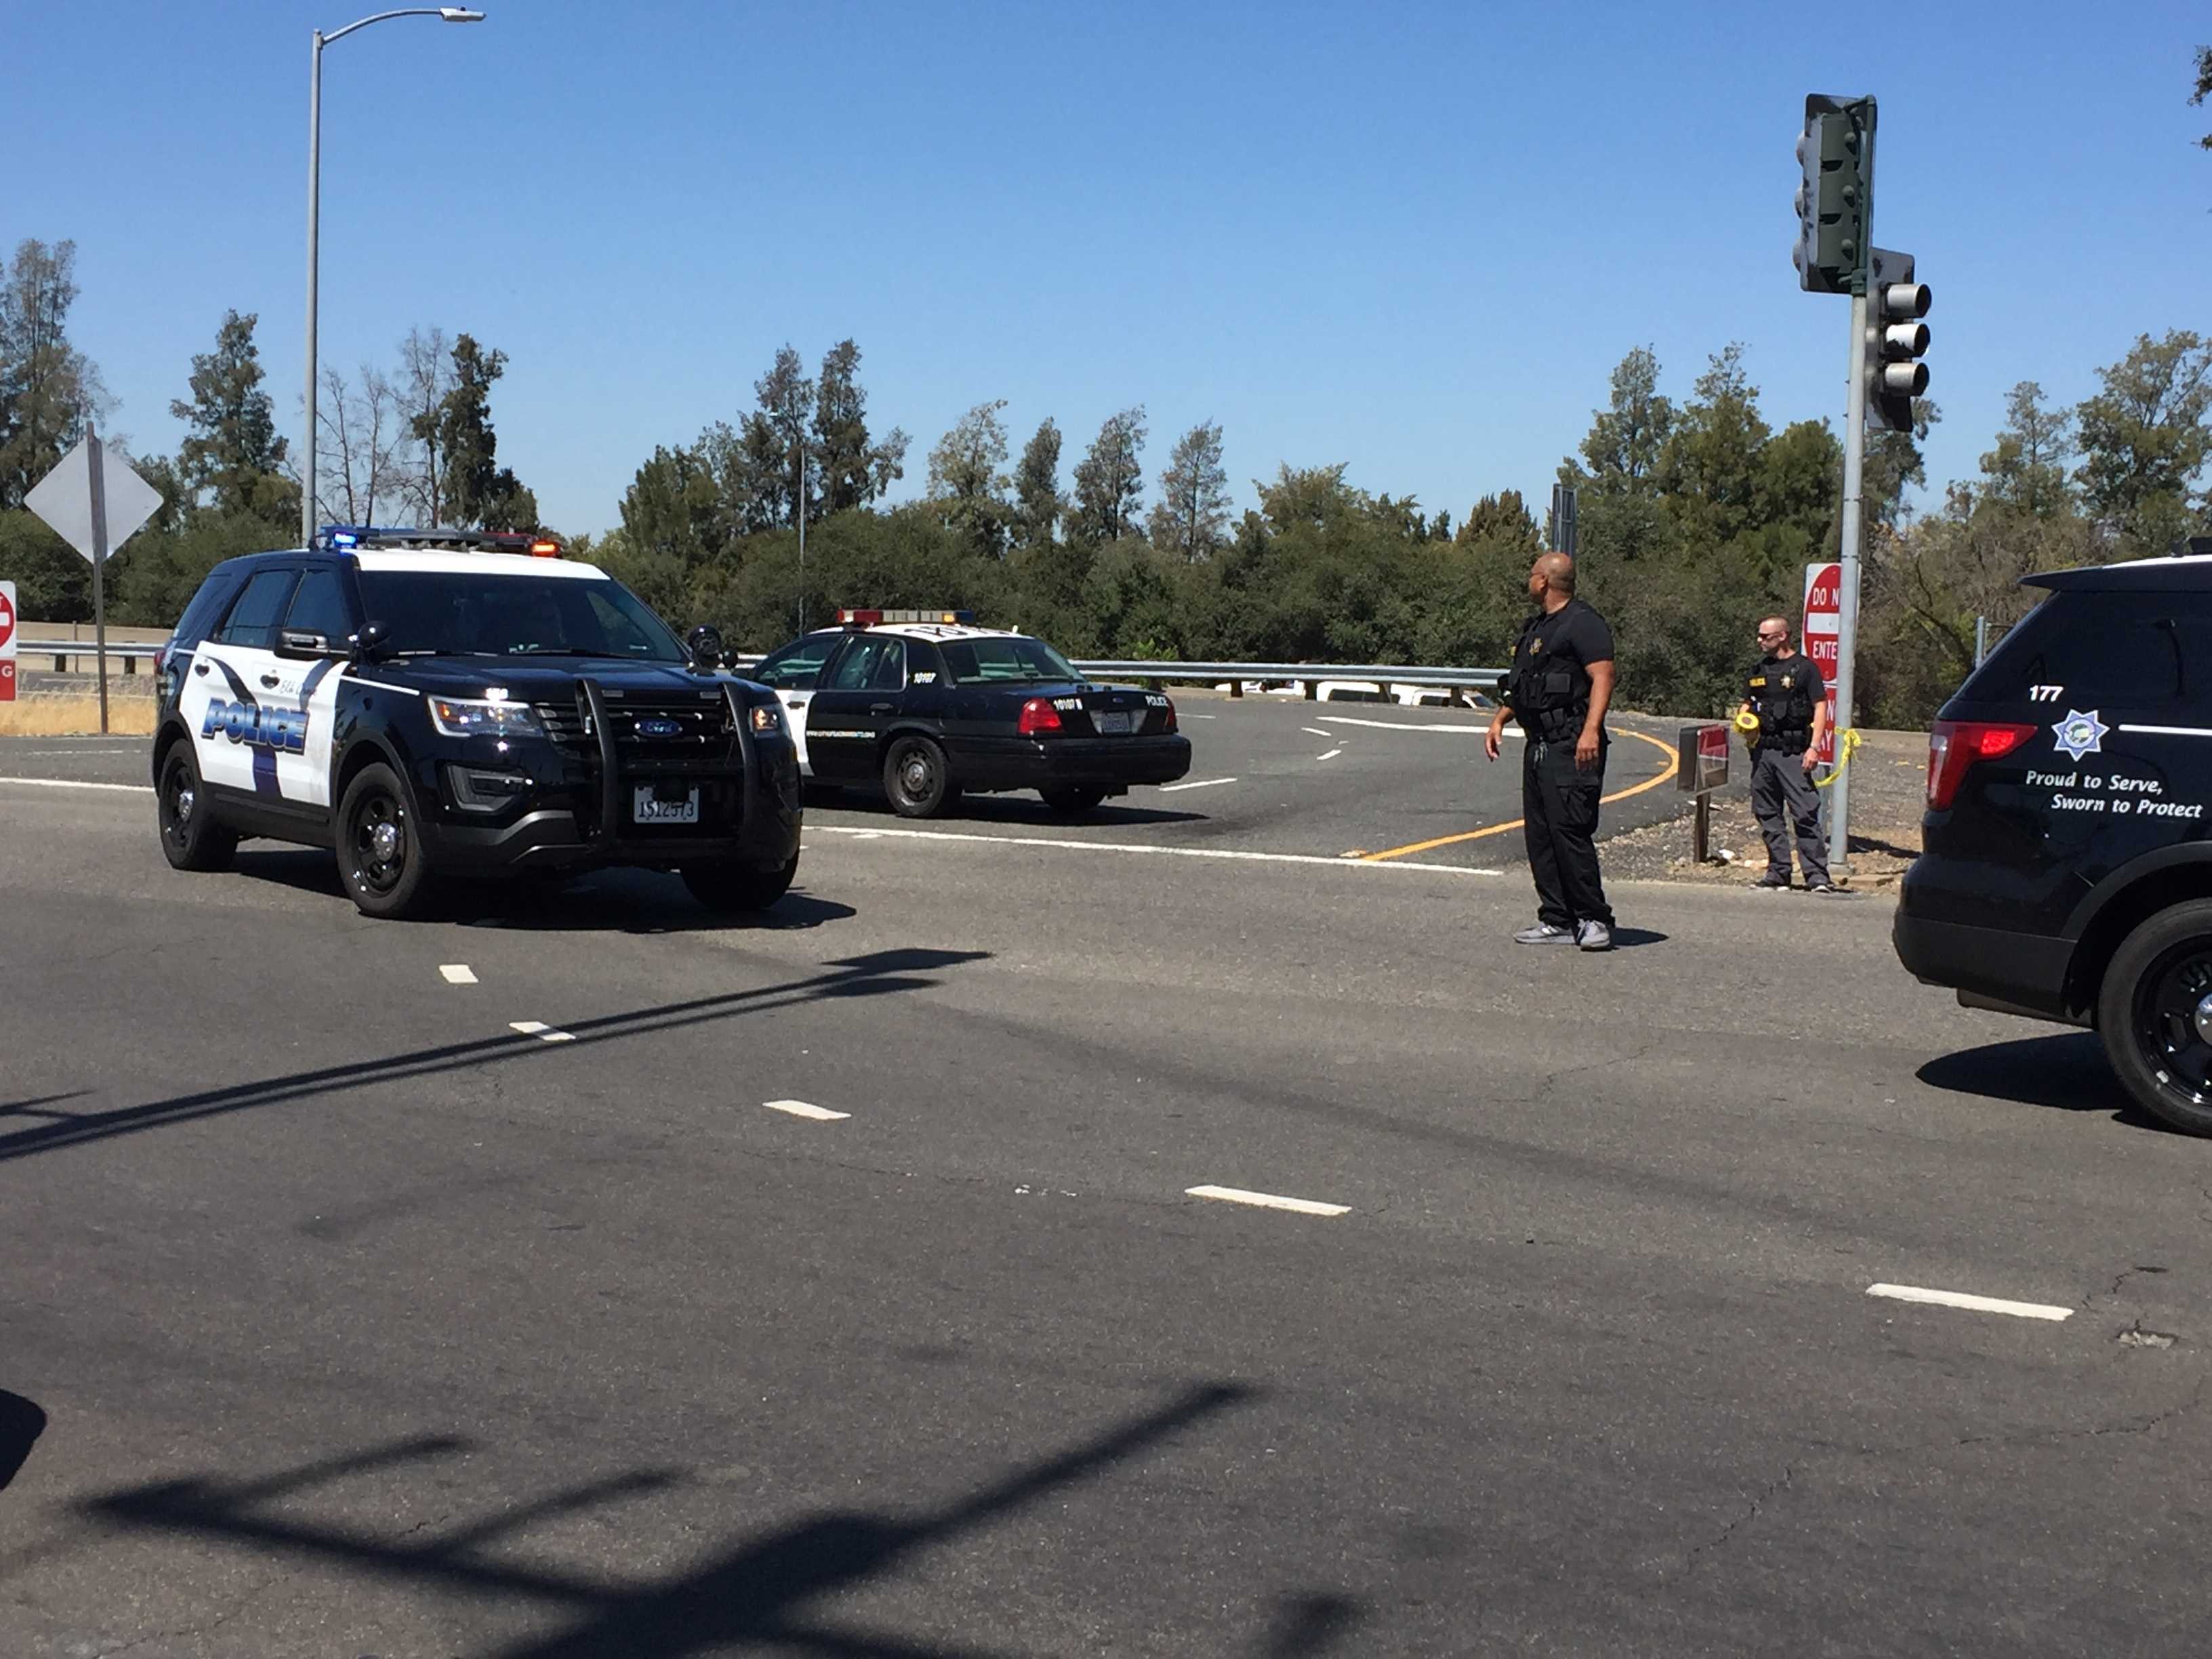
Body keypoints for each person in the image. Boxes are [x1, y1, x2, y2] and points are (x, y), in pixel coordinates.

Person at [1485, 552, 1617, 951]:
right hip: (1539, 742)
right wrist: (1501, 719)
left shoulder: (1583, 622)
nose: (1528, 581)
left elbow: (1603, 676)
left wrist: (1591, 731)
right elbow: (1530, 685)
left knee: (1570, 831)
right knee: (1541, 836)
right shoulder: (1537, 628)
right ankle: (1557, 918)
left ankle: (1593, 919)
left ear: (1543, 581)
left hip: (1571, 742)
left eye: (1532, 575)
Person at [1738, 615, 1835, 893]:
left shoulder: (1805, 669)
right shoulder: (1757, 669)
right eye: (1758, 636)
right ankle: (1778, 872)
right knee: (1767, 812)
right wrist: (1743, 722)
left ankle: (1817, 875)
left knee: (1804, 812)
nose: (1759, 641)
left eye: (1765, 636)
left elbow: (1820, 705)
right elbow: (1747, 704)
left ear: (1782, 636)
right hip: (1763, 751)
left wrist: (1815, 747)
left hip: (1793, 751)